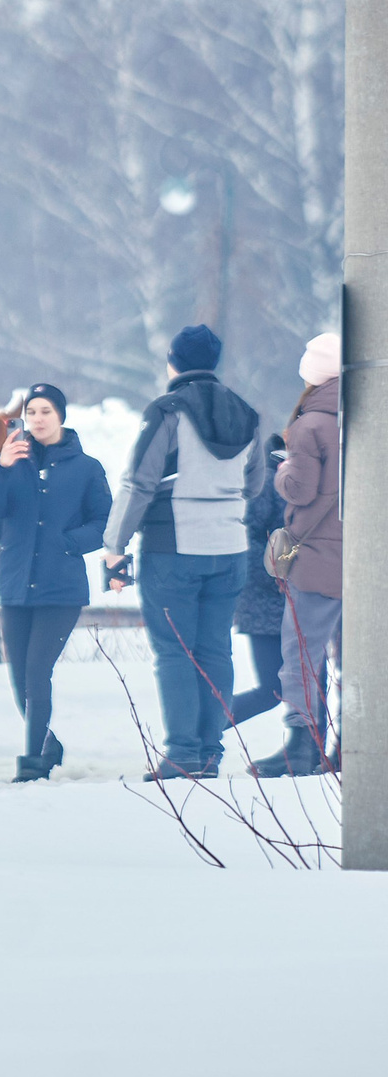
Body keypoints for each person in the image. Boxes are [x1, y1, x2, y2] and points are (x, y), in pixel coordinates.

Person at [101, 324, 265, 782]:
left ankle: (181, 754)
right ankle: (210, 752)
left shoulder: (167, 410)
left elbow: (139, 482)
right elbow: (254, 485)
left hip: (173, 547)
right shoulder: (247, 414)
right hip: (230, 549)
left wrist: (114, 545)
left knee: (174, 651)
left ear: (172, 362)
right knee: (215, 650)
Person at [0, 384, 111, 781]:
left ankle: (33, 763)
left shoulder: (87, 468)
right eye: (31, 412)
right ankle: (49, 745)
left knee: (36, 674)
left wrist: (69, 543)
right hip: (16, 586)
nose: (37, 419)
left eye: (46, 411)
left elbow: (104, 522)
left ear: (61, 416)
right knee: (19, 680)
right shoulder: (11, 462)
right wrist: (0, 468)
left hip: (61, 589)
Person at [253, 333, 341, 778]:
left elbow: (301, 489)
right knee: (353, 658)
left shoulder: (309, 426)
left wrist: (282, 469)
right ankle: (350, 746)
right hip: (361, 557)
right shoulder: (366, 418)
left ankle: (302, 746)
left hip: (317, 556)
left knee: (301, 651)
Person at [228, 434, 290, 730]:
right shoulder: (267, 482)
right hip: (265, 604)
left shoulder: (295, 481)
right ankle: (199, 731)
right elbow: (244, 537)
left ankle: (200, 733)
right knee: (272, 690)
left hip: (285, 602)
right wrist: (275, 573)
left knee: (292, 687)